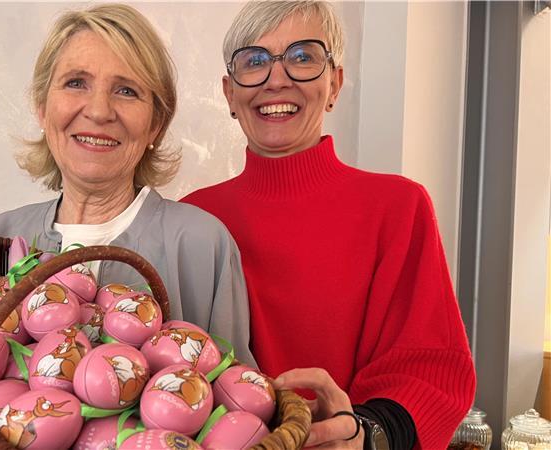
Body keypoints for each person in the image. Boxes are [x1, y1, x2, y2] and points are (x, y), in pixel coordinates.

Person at [181, 1, 476, 449]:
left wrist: (364, 432)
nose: (276, 79)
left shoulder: (397, 207)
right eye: (254, 61)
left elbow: (429, 368)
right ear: (229, 93)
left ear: (334, 83)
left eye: (302, 57)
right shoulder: (192, 219)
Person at [0, 3, 254, 365]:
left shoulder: (200, 244)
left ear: (155, 124)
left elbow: (238, 400)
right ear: (42, 107)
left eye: (126, 91)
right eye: (76, 83)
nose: (98, 111)